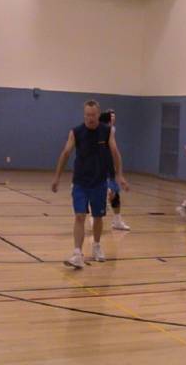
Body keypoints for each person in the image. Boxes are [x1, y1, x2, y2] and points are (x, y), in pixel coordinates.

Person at [51, 100, 129, 269]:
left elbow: (115, 153)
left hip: (99, 182)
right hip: (80, 182)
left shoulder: (106, 132)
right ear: (84, 115)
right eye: (87, 115)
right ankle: (77, 253)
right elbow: (65, 153)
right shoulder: (76, 132)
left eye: (93, 115)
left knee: (98, 217)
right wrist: (57, 177)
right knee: (80, 216)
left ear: (98, 115)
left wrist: (119, 175)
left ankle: (96, 245)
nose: (90, 118)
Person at [99, 109, 131, 231]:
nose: (113, 119)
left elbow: (115, 152)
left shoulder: (112, 130)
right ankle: (95, 214)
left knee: (115, 194)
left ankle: (117, 220)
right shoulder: (99, 130)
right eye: (110, 117)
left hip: (110, 167)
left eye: (114, 117)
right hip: (100, 167)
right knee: (104, 191)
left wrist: (119, 174)